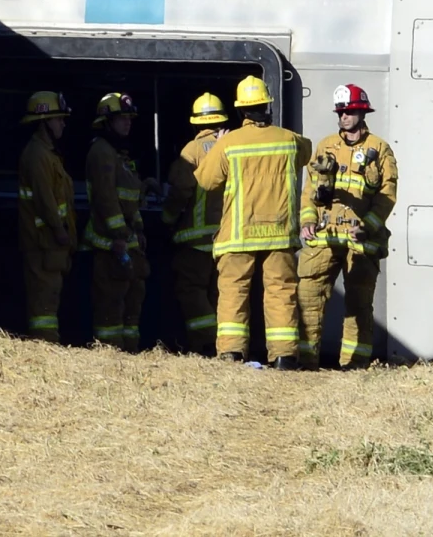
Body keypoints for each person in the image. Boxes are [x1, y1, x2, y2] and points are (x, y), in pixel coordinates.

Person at [194, 75, 312, 368]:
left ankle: (232, 354)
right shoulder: (289, 140)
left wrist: (220, 145)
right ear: (267, 107)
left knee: (234, 292)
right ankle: (284, 356)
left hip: (238, 234)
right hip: (279, 233)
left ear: (241, 111)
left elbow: (206, 181)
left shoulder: (230, 143)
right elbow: (307, 152)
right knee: (281, 291)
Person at [296, 84, 398, 371]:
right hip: (324, 237)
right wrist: (307, 221)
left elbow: (387, 195)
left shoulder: (379, 149)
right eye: (341, 111)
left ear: (362, 112)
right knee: (308, 298)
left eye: (350, 111)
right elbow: (309, 190)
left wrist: (367, 226)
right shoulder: (325, 145)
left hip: (360, 240)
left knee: (358, 306)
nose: (344, 116)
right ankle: (306, 362)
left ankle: (353, 366)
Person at [84, 92, 157, 352]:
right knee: (111, 302)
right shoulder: (101, 152)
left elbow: (129, 200)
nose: (128, 123)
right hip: (110, 245)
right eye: (121, 118)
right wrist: (119, 235)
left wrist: (137, 230)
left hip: (128, 242)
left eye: (129, 118)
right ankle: (110, 352)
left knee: (133, 298)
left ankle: (130, 352)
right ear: (106, 121)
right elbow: (105, 198)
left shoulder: (119, 156)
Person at [160, 93, 229, 356]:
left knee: (191, 291)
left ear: (195, 123)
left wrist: (166, 221)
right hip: (224, 238)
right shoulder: (230, 146)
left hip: (194, 240)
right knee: (217, 295)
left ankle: (205, 345)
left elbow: (179, 192)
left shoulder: (192, 151)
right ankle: (223, 345)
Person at [17, 91, 77, 343]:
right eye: (58, 119)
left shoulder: (48, 154)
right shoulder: (38, 155)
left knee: (51, 298)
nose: (63, 123)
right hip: (43, 243)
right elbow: (45, 200)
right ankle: (44, 348)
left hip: (52, 245)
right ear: (44, 122)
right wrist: (60, 231)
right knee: (44, 302)